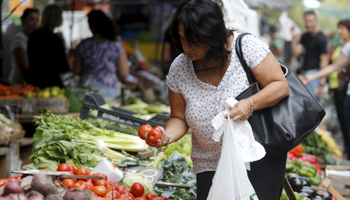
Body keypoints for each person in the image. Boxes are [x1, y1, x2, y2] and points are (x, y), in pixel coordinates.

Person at [144, 0, 290, 199]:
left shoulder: (245, 47)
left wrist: (250, 103)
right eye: (182, 39)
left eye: (194, 40)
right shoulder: (180, 68)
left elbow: (280, 85)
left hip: (256, 155)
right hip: (209, 163)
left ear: (212, 34)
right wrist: (165, 137)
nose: (187, 47)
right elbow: (179, 118)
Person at [303, 20, 350, 160]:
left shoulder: (347, 47)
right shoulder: (343, 46)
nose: (339, 32)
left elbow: (333, 67)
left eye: (342, 29)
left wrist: (313, 77)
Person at [73, 10, 129, 99]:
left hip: (86, 89)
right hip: (109, 90)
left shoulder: (83, 45)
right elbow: (124, 73)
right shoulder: (116, 46)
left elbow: (76, 70)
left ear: (92, 27)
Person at [26, 5, 70, 89]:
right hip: (52, 84)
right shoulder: (56, 39)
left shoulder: (33, 35)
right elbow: (63, 67)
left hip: (34, 83)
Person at [291, 10, 328, 99]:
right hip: (303, 73)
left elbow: (324, 61)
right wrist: (294, 38)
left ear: (316, 21)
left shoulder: (321, 38)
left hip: (315, 74)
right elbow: (296, 53)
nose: (308, 24)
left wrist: (322, 84)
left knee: (313, 104)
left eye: (310, 21)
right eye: (306, 21)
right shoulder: (305, 36)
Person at [9, 8, 39, 84]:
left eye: (37, 20)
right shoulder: (19, 40)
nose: (35, 23)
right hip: (18, 85)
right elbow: (25, 69)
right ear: (23, 20)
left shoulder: (31, 39)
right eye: (31, 19)